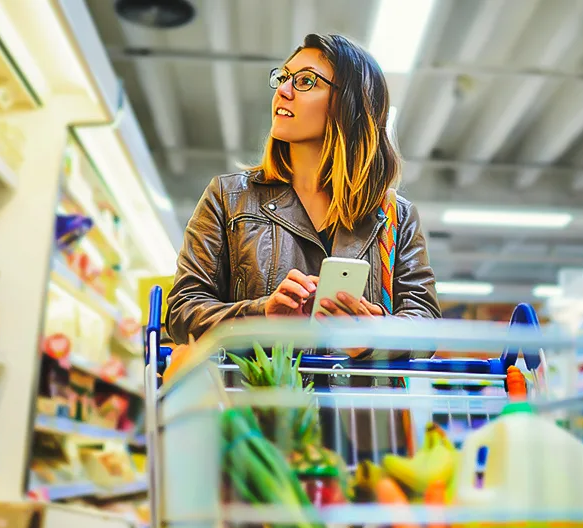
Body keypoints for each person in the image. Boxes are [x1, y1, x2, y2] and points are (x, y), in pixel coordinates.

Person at [166, 33, 441, 355]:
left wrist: (374, 333)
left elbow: (426, 326)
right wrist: (261, 315)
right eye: (283, 78)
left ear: (350, 103)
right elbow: (181, 312)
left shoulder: (396, 215)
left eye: (306, 81)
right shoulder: (229, 197)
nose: (283, 90)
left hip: (358, 403)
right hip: (257, 402)